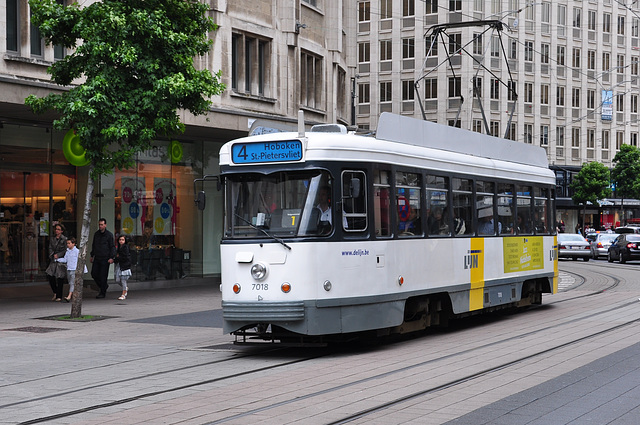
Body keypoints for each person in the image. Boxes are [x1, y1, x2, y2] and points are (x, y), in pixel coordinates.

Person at [90, 218, 115, 298]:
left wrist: (111, 257)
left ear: (105, 225)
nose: (100, 226)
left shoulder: (109, 235)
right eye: (99, 224)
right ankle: (103, 286)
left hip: (105, 258)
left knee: (103, 276)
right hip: (97, 257)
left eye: (101, 225)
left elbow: (112, 247)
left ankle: (102, 292)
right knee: (94, 274)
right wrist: (92, 255)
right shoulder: (96, 234)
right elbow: (94, 245)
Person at [45, 223, 67, 301]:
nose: (56, 231)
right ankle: (55, 291)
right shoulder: (52, 239)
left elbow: (65, 250)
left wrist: (59, 255)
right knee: (50, 275)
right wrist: (52, 255)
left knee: (60, 277)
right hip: (53, 260)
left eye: (58, 229)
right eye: (56, 229)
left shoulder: (64, 239)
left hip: (61, 260)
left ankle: (59, 296)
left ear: (61, 231)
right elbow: (50, 247)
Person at [55, 237, 80, 302]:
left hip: (74, 269)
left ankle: (69, 296)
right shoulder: (67, 251)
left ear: (73, 244)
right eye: (67, 243)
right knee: (71, 282)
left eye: (69, 243)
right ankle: (74, 295)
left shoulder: (77, 251)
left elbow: (80, 260)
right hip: (69, 269)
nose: (68, 245)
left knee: (72, 283)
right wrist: (58, 260)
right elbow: (65, 259)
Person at [114, 235, 132, 300]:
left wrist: (116, 259)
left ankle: (123, 294)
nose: (121, 241)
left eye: (122, 240)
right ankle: (125, 288)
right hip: (120, 265)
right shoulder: (119, 248)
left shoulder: (125, 247)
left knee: (123, 280)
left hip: (124, 265)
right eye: (120, 240)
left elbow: (125, 257)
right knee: (117, 280)